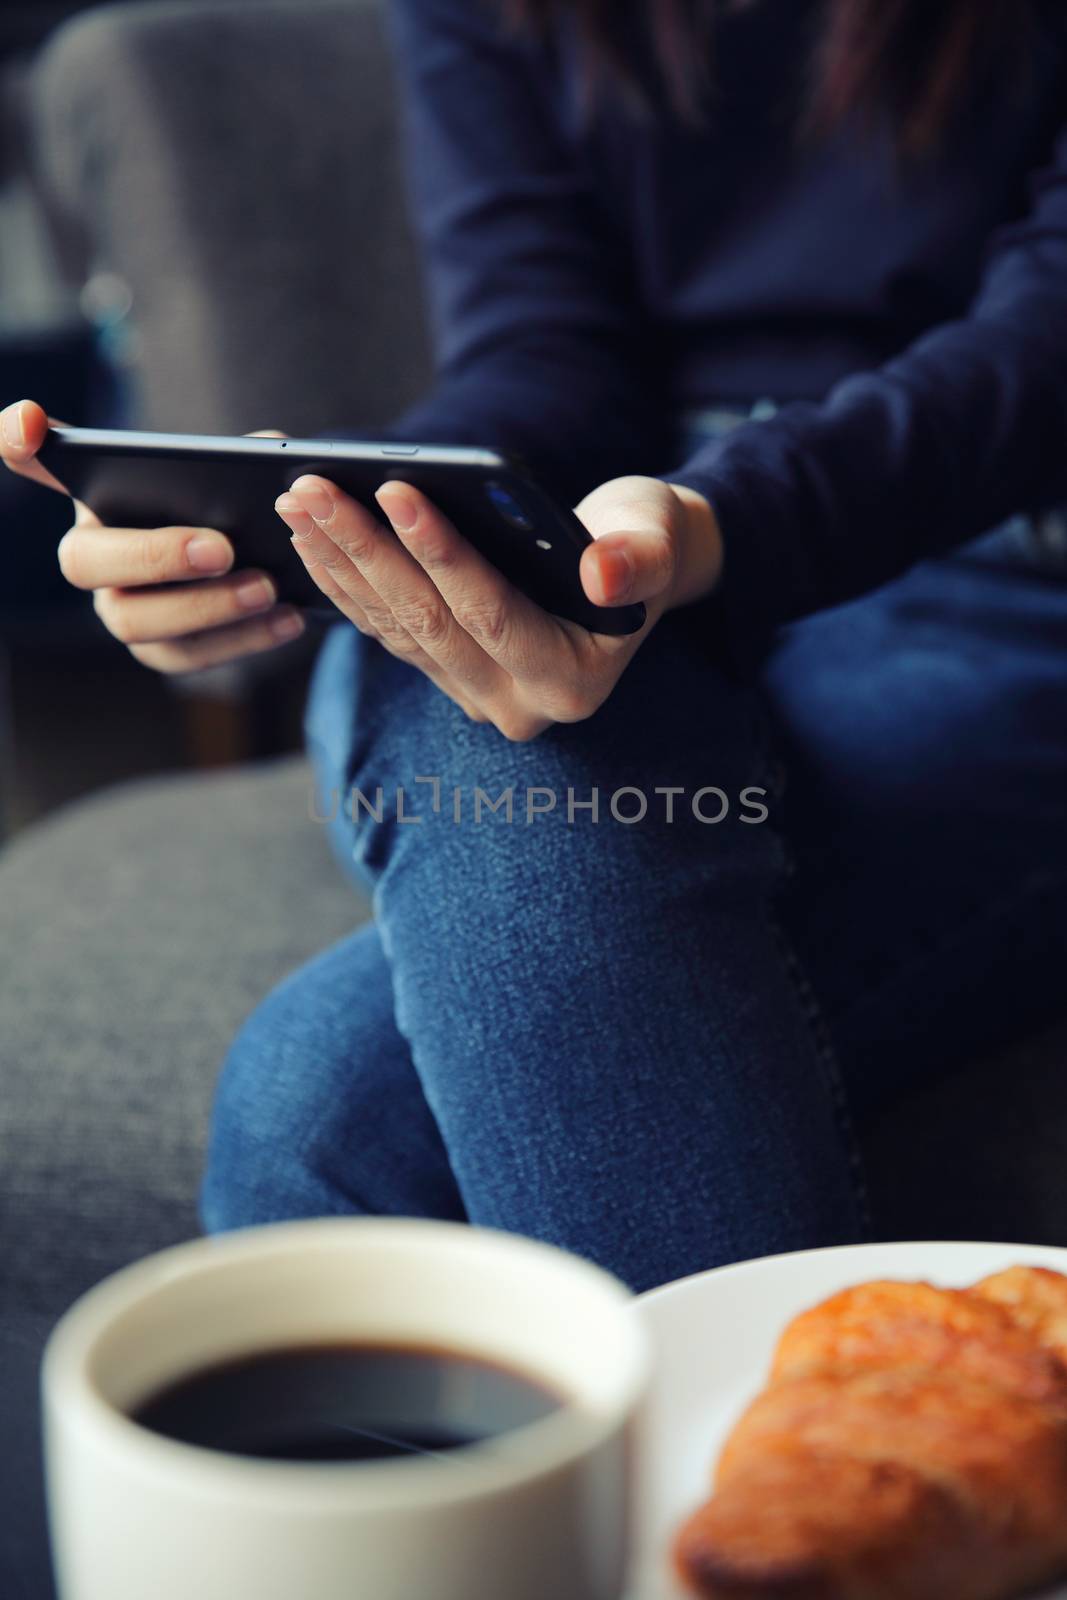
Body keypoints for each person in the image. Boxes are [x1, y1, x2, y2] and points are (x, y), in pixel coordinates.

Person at [4, 0, 1066, 1294]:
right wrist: (351, 512)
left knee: (319, 1120)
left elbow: (1044, 344)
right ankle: (740, 1491)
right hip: (625, 517)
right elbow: (542, 343)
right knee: (484, 674)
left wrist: (722, 519)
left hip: (1008, 574)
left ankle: (745, 1500)